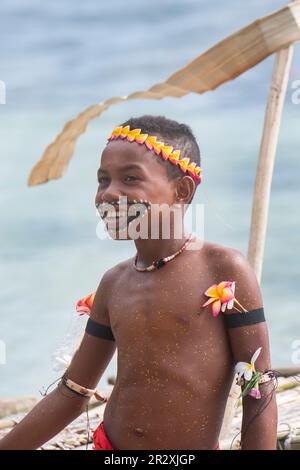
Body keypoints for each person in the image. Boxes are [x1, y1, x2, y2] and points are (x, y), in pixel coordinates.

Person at [0, 115, 277, 450]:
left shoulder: (223, 270)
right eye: (103, 180)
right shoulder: (114, 284)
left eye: (130, 179)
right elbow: (72, 392)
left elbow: (258, 387)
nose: (109, 194)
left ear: (182, 190)